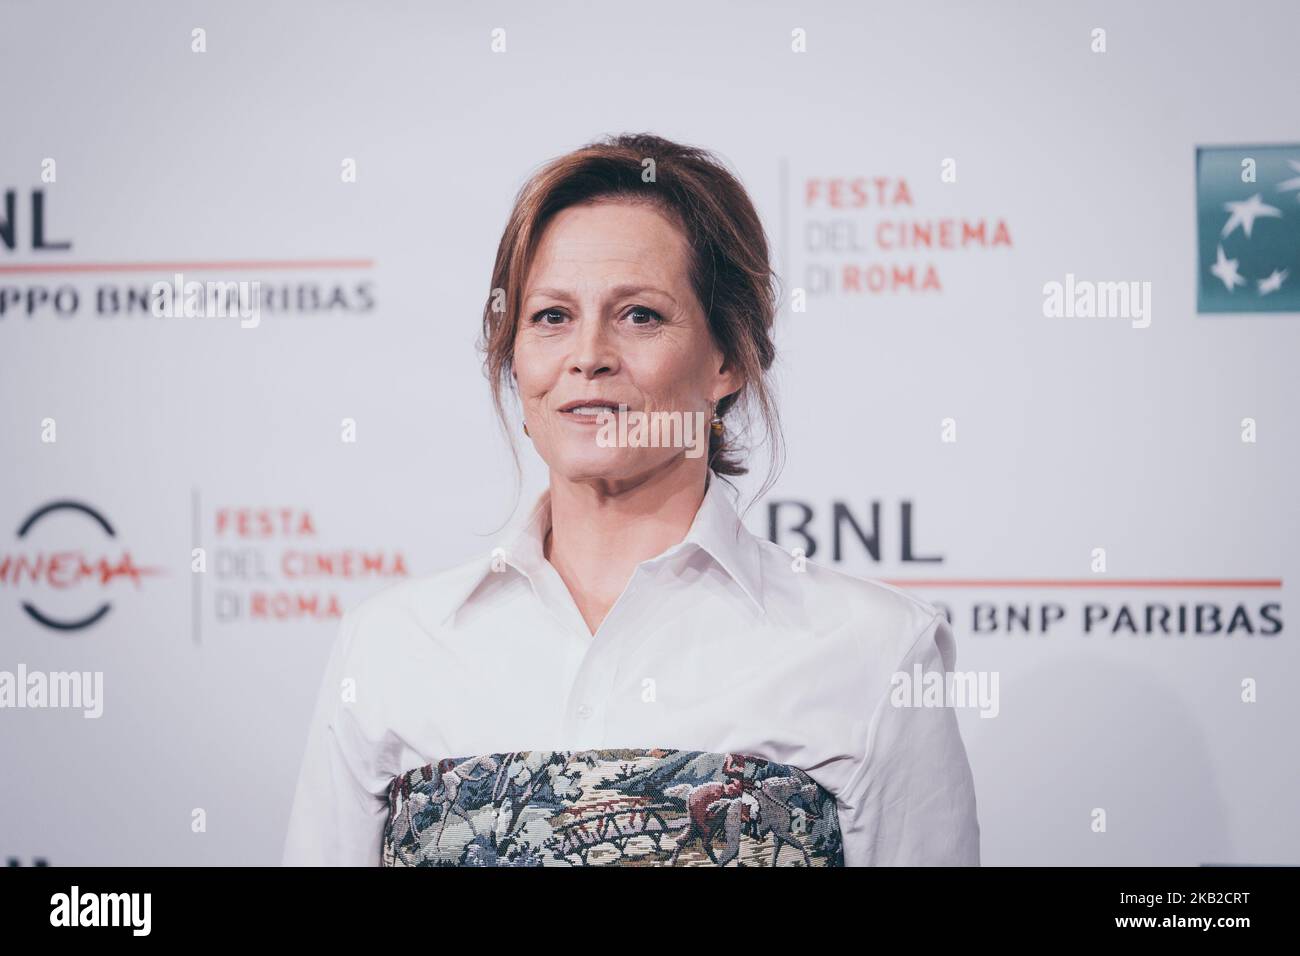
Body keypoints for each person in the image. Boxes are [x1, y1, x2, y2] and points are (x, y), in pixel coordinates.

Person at [282, 132, 979, 866]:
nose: (589, 356)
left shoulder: (872, 649)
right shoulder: (390, 646)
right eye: (551, 317)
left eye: (639, 315)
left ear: (731, 356)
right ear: (513, 358)